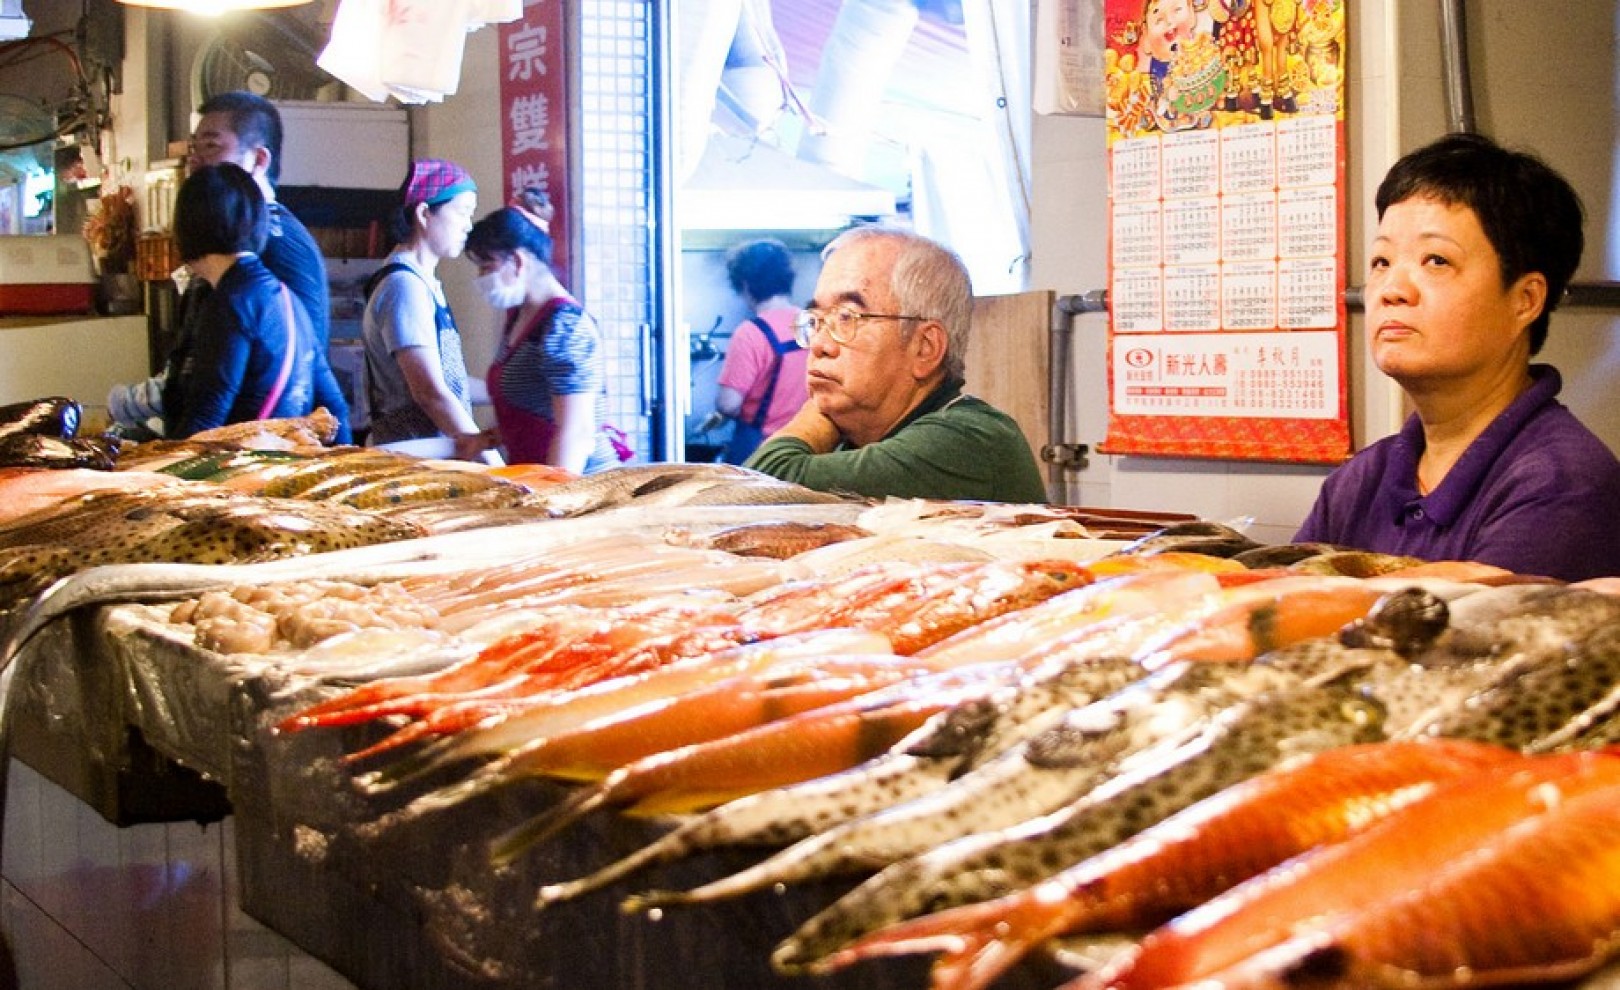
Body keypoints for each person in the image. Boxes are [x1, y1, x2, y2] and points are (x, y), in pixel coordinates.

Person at [1294, 132, 1620, 582]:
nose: (1392, 290)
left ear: (1525, 300)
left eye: (1436, 261)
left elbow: (1467, 646)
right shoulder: (1360, 480)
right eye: (1382, 262)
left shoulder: (1561, 484)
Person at [745, 226, 1048, 503]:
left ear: (925, 348)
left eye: (847, 317)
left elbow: (753, 495)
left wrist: (814, 418)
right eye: (817, 321)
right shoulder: (857, 441)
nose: (820, 345)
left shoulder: (966, 440)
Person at [108, 91, 347, 440]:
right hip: (261, 455)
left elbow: (214, 401)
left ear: (259, 159)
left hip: (241, 461)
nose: (196, 162)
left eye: (211, 148)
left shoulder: (271, 250)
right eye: (194, 149)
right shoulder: (246, 260)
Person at [163, 163, 350, 439]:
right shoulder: (286, 299)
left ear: (189, 228)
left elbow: (208, 412)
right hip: (286, 466)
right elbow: (334, 407)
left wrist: (164, 472)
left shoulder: (231, 302)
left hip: (241, 471)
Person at [464, 189, 617, 473]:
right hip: (533, 477)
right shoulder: (518, 316)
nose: (481, 278)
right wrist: (486, 439)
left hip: (579, 486)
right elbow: (531, 406)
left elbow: (577, 432)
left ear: (519, 261)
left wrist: (553, 504)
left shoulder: (565, 327)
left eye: (487, 266)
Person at [361, 158, 492, 461]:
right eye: (462, 213)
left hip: (429, 457)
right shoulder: (404, 285)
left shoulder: (423, 281)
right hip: (410, 462)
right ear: (424, 213)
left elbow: (447, 382)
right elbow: (430, 393)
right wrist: (492, 464)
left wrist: (504, 392)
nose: (468, 226)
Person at [707, 237, 807, 464]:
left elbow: (728, 404)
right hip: (811, 446)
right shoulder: (811, 324)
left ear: (745, 284)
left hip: (764, 454)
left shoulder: (751, 333)